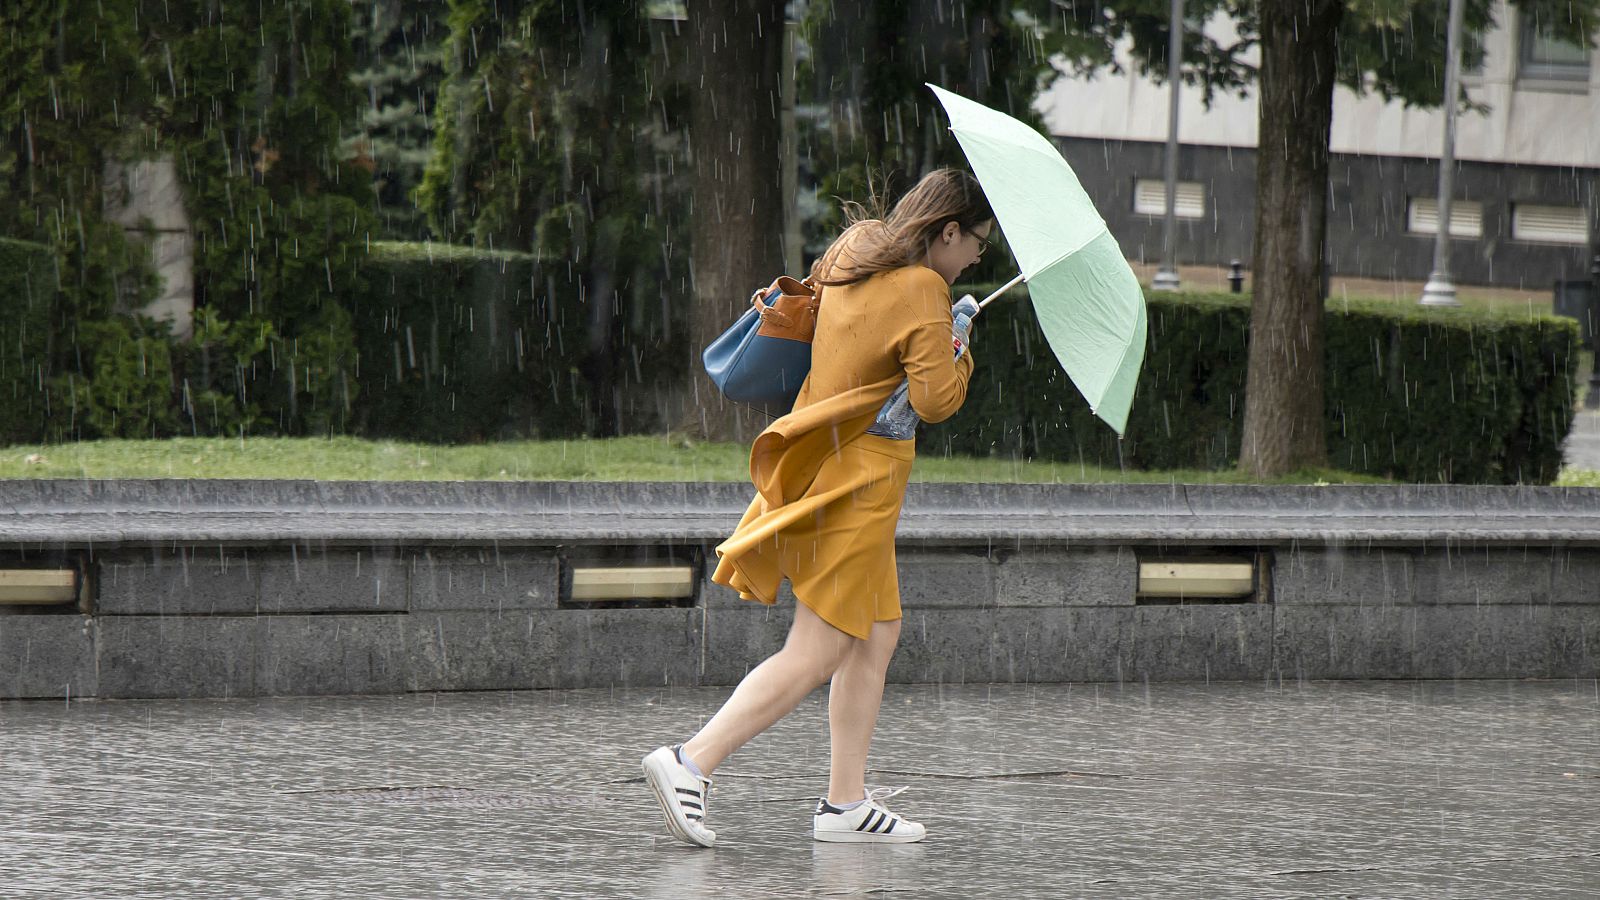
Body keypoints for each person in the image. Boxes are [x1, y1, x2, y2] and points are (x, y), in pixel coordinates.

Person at [643, 168, 993, 848]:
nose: (978, 255)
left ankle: (845, 804)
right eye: (976, 241)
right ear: (947, 231)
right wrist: (958, 344)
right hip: (861, 486)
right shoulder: (925, 288)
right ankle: (691, 762)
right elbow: (935, 402)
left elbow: (859, 357)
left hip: (826, 460)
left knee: (876, 634)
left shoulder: (855, 247)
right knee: (819, 647)